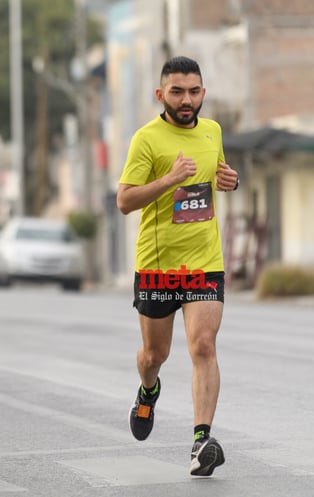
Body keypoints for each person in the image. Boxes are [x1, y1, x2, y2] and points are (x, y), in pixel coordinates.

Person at [116, 56, 239, 477]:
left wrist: (230, 181)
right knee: (155, 354)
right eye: (177, 92)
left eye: (193, 91)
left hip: (204, 260)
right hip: (157, 265)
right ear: (160, 95)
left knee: (203, 346)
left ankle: (201, 440)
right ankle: (148, 390)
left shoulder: (213, 131)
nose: (186, 100)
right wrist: (168, 180)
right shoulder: (146, 140)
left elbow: (213, 176)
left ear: (203, 93)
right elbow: (124, 201)